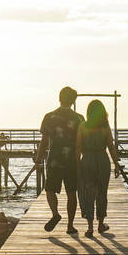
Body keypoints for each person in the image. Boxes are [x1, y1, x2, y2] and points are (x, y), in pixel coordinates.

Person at [36, 86, 84, 233]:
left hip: (54, 160)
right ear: (73, 101)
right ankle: (70, 225)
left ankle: (55, 214)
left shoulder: (49, 117)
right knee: (72, 193)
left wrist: (38, 158)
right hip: (72, 161)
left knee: (49, 190)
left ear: (59, 98)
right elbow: (82, 141)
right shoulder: (79, 118)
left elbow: (44, 141)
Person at [76, 99, 119, 237]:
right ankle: (101, 224)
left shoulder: (83, 126)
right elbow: (111, 147)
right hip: (102, 160)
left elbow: (78, 147)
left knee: (88, 193)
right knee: (102, 193)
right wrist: (116, 164)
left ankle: (90, 228)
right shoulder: (105, 127)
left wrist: (77, 164)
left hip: (87, 160)